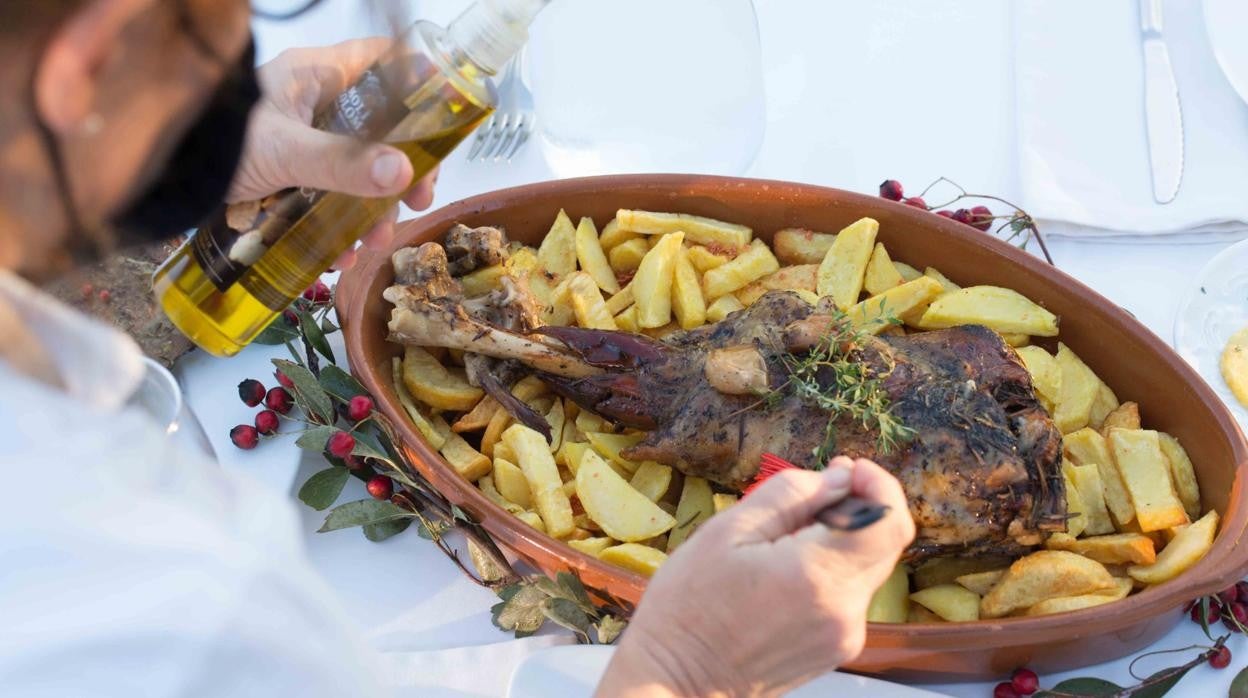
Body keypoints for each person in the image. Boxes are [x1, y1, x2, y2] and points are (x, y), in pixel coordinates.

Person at [0, 2, 915, 697]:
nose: (247, 61)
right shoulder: (183, 612)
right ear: (89, 58)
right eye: (226, 34)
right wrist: (685, 666)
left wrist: (161, 159)